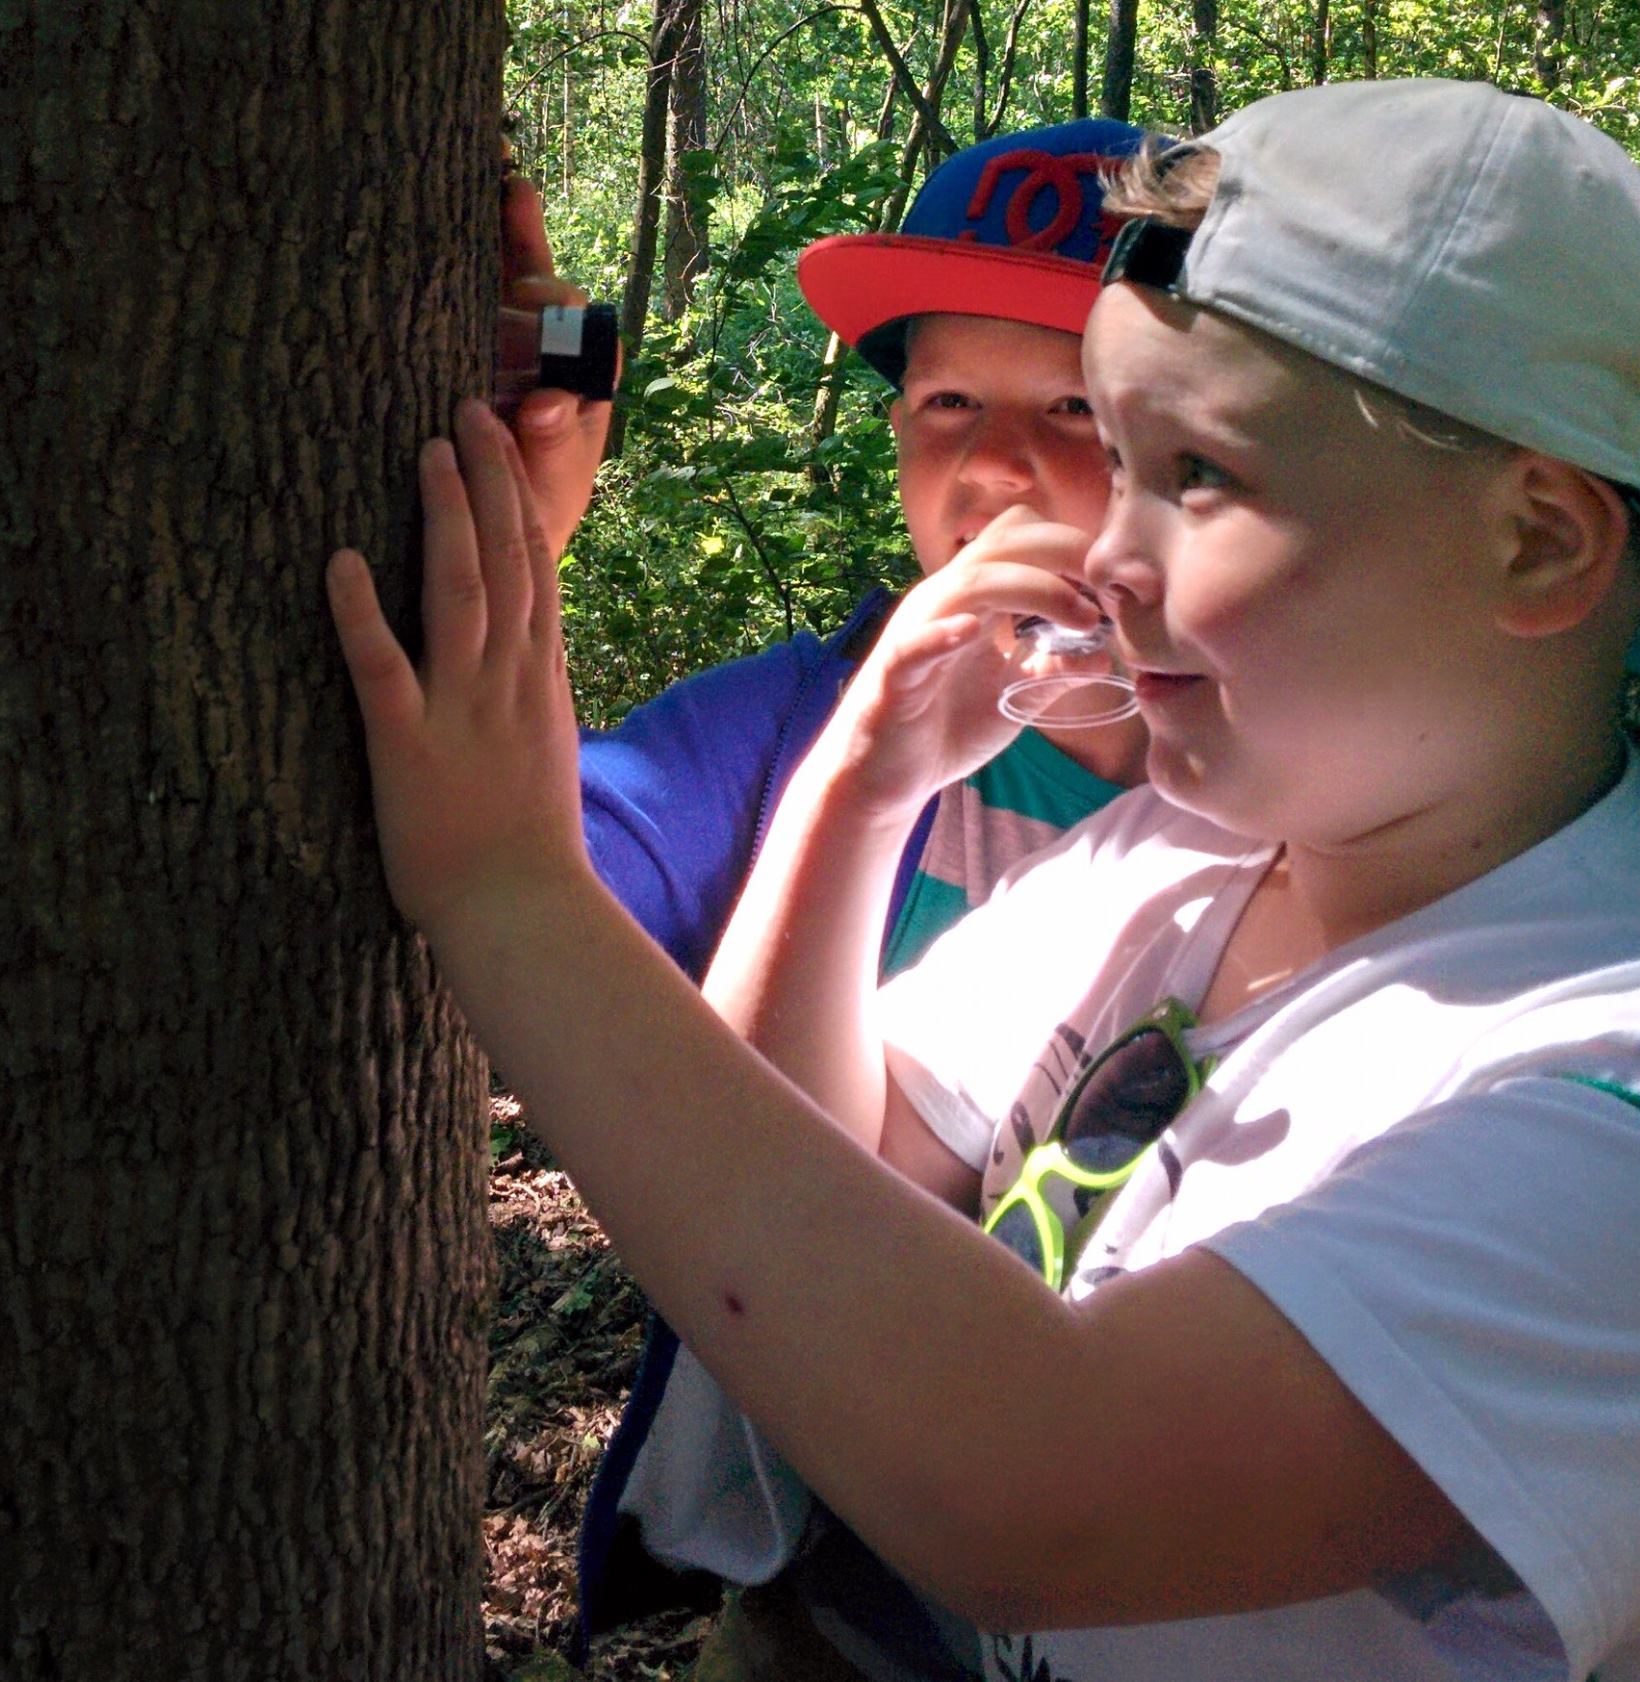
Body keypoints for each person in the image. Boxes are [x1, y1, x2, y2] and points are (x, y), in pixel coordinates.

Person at [328, 75, 1640, 1682]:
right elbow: (807, 1188)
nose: (1107, 548)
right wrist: (865, 778)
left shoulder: (1633, 1078)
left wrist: (509, 893)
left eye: (1198, 474)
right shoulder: (1183, 857)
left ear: (1538, 543)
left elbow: (1035, 1480)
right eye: (1124, 456)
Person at [510, 121, 1152, 1656]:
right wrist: (522, 548)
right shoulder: (801, 729)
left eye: (1077, 403)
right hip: (839, 1615)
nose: (992, 464)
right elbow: (512, 886)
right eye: (946, 402)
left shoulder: (1315, 791)